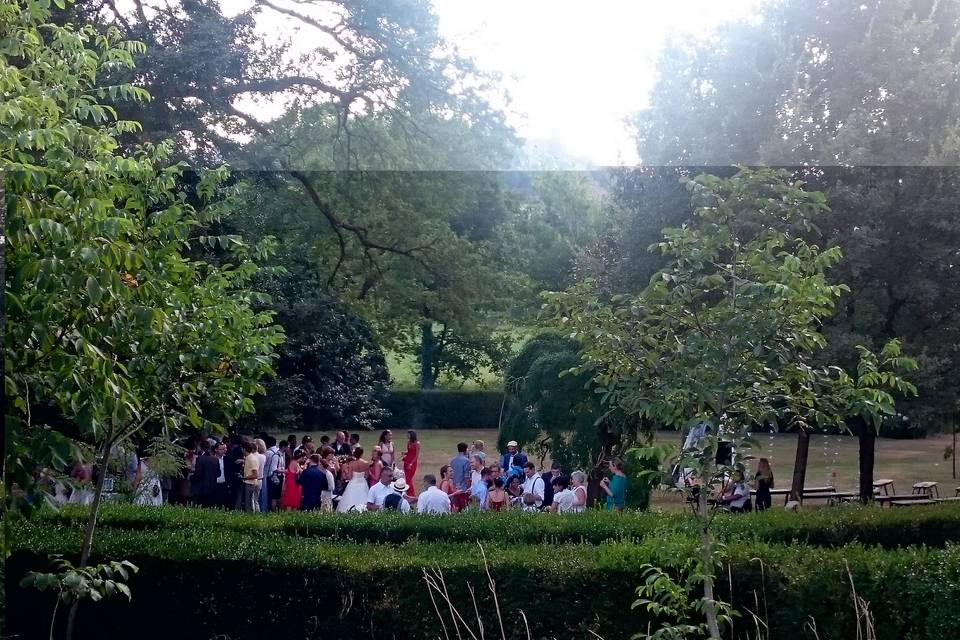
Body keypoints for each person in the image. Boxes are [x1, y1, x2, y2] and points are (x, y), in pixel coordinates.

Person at [337, 447, 370, 513]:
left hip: (353, 483)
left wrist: (345, 471)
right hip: (363, 483)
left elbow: (349, 477)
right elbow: (366, 475)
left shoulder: (352, 464)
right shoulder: (366, 463)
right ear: (361, 454)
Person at [191, 440, 221, 507]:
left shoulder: (200, 459)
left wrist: (191, 478)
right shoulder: (215, 459)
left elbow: (198, 474)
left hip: (201, 489)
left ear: (201, 448)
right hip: (212, 488)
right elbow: (219, 473)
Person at [264, 439, 288, 512]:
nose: (288, 449)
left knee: (278, 496)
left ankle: (277, 510)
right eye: (287, 447)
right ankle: (274, 511)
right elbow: (273, 469)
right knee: (274, 496)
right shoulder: (276, 456)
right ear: (284, 447)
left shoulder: (282, 455)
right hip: (275, 478)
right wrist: (284, 471)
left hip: (280, 477)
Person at [241, 441, 259, 512]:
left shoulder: (251, 459)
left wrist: (244, 478)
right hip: (249, 482)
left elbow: (255, 474)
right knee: (249, 501)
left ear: (244, 449)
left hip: (250, 483)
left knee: (249, 503)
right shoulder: (248, 458)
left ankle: (250, 516)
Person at [402, 430, 421, 497]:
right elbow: (409, 452)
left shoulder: (417, 443)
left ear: (412, 435)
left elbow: (416, 455)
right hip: (406, 461)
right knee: (407, 479)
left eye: (408, 434)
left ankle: (412, 494)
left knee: (409, 479)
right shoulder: (408, 442)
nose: (407, 435)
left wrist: (411, 464)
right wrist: (404, 453)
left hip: (412, 463)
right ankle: (409, 493)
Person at [254, 438, 268, 513]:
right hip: (261, 478)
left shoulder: (255, 456)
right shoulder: (263, 456)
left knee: (253, 499)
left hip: (255, 478)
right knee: (259, 497)